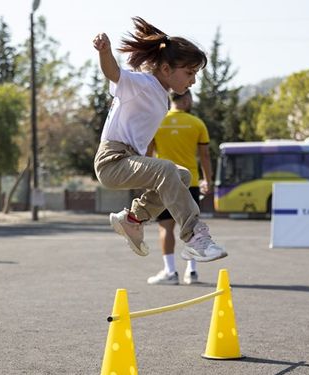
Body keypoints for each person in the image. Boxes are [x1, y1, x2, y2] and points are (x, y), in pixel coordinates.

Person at [92, 17, 227, 263]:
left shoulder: (162, 97)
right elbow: (113, 73)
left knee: (182, 175)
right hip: (112, 160)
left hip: (130, 158)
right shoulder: (142, 83)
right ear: (166, 69)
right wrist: (105, 51)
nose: (193, 81)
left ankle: (133, 219)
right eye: (189, 73)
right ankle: (195, 237)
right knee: (166, 170)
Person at [146, 90, 213, 285]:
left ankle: (170, 272)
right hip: (189, 182)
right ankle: (191, 272)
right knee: (190, 227)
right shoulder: (197, 123)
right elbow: (205, 156)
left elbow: (149, 155)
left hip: (164, 182)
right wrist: (207, 180)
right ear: (186, 99)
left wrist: (148, 181)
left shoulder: (158, 122)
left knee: (165, 227)